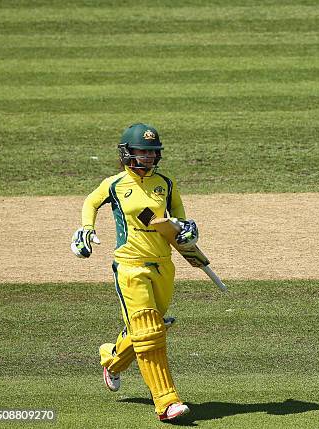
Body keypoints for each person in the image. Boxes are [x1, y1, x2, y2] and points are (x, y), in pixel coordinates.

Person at [71, 123, 198, 420]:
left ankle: (112, 360)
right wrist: (86, 229)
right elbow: (90, 202)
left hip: (164, 266)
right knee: (151, 332)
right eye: (143, 151)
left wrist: (187, 230)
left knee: (146, 329)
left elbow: (179, 220)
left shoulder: (165, 183)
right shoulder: (115, 184)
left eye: (153, 152)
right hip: (130, 265)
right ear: (127, 153)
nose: (149, 157)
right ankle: (167, 403)